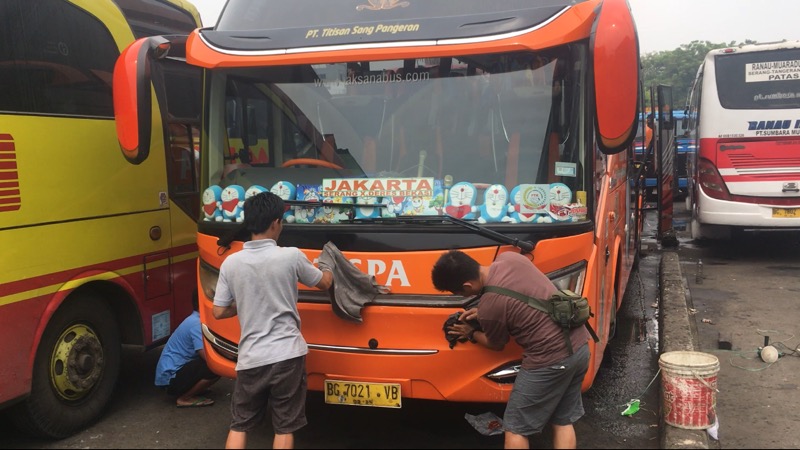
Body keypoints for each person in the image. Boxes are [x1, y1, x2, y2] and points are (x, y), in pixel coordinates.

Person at [431, 250, 590, 449]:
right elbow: (523, 294)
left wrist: (470, 332)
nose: (464, 295)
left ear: (467, 286)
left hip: (549, 362)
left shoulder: (491, 305)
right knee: (562, 420)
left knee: (516, 428)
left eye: (461, 293)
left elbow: (496, 344)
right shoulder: (510, 258)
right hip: (579, 347)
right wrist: (484, 312)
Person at [212, 191, 333, 450]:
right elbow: (323, 283)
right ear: (276, 223)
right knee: (285, 426)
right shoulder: (290, 256)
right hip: (287, 355)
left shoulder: (231, 264)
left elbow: (219, 311)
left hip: (250, 358)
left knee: (239, 424)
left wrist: (245, 302)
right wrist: (329, 266)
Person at [154, 291, 220, 407]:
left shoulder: (195, 319)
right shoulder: (196, 323)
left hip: (170, 376)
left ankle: (193, 388)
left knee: (214, 363)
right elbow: (204, 354)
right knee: (215, 367)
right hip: (171, 379)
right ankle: (185, 398)